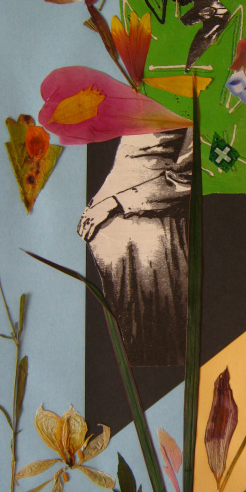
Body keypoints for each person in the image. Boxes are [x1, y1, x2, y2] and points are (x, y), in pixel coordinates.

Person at [77, 128, 192, 367]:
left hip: (151, 237)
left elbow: (186, 179)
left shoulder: (192, 110)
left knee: (159, 347)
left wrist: (115, 203)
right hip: (112, 241)